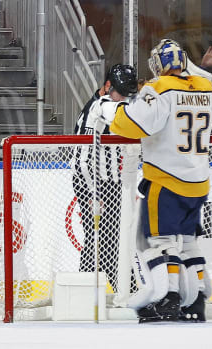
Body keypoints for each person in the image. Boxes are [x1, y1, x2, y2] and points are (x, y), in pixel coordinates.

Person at [106, 39, 212, 323]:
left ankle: (167, 299)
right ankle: (196, 302)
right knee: (187, 242)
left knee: (161, 244)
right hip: (199, 183)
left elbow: (132, 125)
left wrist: (115, 111)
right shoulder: (207, 88)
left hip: (166, 180)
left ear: (159, 64)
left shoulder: (159, 88)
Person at [72, 64, 138, 294]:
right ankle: (120, 290)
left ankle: (122, 288)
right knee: (100, 238)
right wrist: (93, 193)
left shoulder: (109, 103)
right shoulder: (98, 108)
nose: (126, 99)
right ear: (108, 86)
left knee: (109, 238)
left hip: (109, 181)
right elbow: (82, 157)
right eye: (122, 92)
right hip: (92, 182)